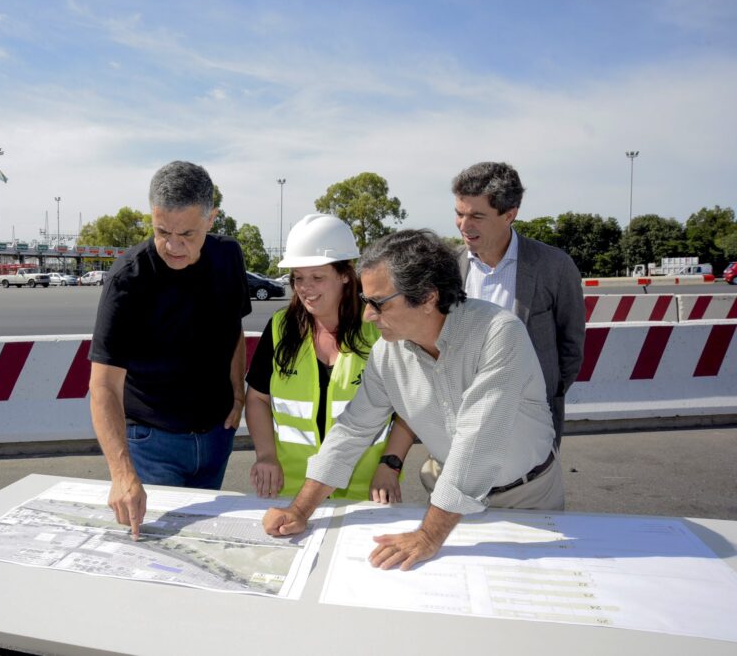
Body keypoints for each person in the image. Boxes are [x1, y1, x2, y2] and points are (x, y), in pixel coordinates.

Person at [263, 229, 563, 571]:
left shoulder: (499, 333)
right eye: (365, 301)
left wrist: (429, 536)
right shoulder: (387, 352)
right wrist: (299, 510)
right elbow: (352, 431)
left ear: (428, 298)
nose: (368, 315)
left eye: (378, 303)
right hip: (448, 502)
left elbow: (478, 443)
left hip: (527, 497)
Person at [89, 161, 251, 539]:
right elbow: (103, 386)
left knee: (199, 543)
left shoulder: (229, 256)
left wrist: (238, 394)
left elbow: (234, 329)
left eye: (187, 234)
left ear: (212, 219)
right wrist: (122, 474)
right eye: (162, 232)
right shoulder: (127, 279)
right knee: (157, 551)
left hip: (217, 437)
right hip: (152, 444)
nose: (173, 246)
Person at [245, 214, 414, 503]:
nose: (304, 288)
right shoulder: (279, 328)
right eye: (298, 277)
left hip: (365, 492)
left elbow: (407, 409)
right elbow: (257, 398)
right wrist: (266, 455)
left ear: (345, 275)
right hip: (291, 491)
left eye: (317, 277)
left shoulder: (378, 330)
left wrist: (390, 465)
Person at [452, 162, 585, 447]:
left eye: (476, 216)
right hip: (463, 418)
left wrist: (549, 391)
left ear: (509, 215)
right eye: (459, 214)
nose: (464, 225)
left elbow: (571, 344)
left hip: (530, 420)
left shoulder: (555, 266)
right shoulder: (448, 268)